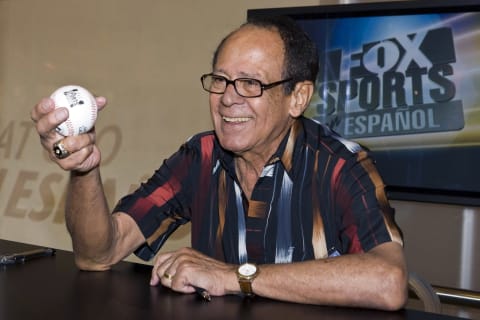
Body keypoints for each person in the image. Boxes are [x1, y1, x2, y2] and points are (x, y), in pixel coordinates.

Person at [31, 16, 408, 310]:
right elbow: (97, 254)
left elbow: (388, 282)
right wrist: (84, 170)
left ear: (298, 97)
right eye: (221, 80)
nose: (228, 99)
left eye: (250, 83)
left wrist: (233, 277)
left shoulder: (340, 164)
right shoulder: (200, 157)